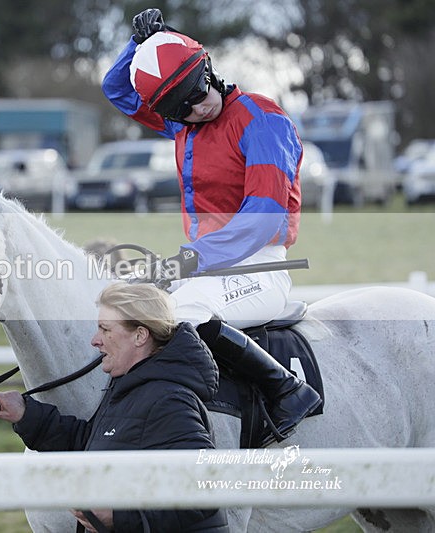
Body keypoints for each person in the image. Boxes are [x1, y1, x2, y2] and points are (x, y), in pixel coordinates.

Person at [101, 8, 321, 444]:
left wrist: (191, 260)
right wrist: (141, 43)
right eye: (183, 111)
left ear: (208, 68)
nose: (200, 109)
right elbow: (116, 89)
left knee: (181, 314)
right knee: (136, 314)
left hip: (259, 267)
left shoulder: (260, 119)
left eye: (199, 94)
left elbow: (263, 219)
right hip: (209, 266)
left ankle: (288, 389)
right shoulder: (186, 121)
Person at [0, 282, 229, 532]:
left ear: (140, 335)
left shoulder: (170, 401)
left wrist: (119, 517)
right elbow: (91, 442)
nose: (95, 340)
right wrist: (25, 414)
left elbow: (203, 488)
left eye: (105, 329)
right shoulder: (130, 387)